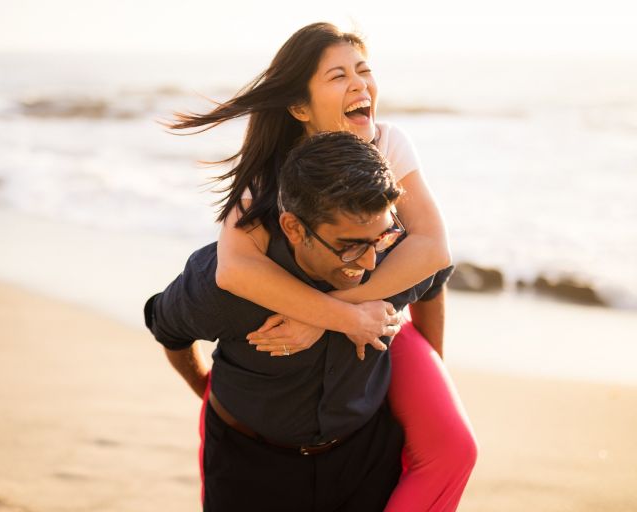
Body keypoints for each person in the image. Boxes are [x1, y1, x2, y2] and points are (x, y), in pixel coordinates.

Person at [169, 22, 477, 511]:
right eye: (338, 76)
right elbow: (235, 271)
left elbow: (433, 251)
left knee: (454, 448)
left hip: (380, 318)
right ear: (298, 107)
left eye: (364, 70)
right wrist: (337, 317)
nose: (359, 84)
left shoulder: (388, 142)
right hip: (317, 340)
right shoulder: (270, 174)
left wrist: (330, 315)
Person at [146, 131, 453, 511]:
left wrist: (430, 369)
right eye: (350, 245)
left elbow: (434, 279)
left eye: (381, 238)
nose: (371, 262)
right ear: (293, 228)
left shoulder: (398, 256)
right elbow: (167, 327)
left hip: (365, 458)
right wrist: (205, 388)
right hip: (249, 466)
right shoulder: (225, 287)